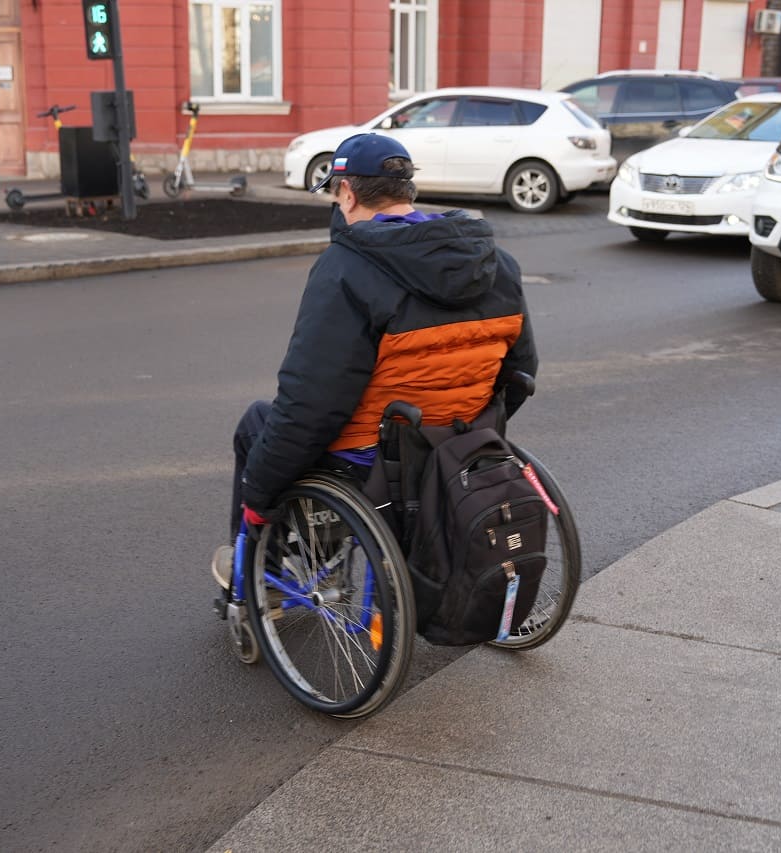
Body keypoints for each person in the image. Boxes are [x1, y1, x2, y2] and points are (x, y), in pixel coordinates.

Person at [211, 132, 538, 588]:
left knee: (258, 427)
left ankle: (266, 576)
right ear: (409, 190)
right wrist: (466, 424)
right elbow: (519, 373)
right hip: (461, 442)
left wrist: (260, 493)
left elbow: (313, 401)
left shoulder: (348, 268)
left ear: (346, 192)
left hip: (376, 459)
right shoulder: (497, 262)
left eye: (333, 192)